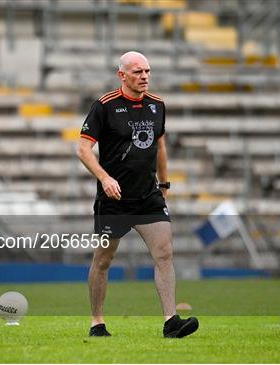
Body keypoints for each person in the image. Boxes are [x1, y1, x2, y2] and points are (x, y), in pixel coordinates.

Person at [76, 51, 199, 338]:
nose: (144, 77)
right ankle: (97, 322)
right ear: (122, 75)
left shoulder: (157, 105)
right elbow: (83, 149)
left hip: (148, 196)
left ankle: (171, 322)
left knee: (165, 253)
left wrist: (165, 185)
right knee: (103, 260)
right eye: (137, 72)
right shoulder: (104, 106)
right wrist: (105, 178)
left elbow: (161, 147)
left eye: (147, 71)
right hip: (114, 199)